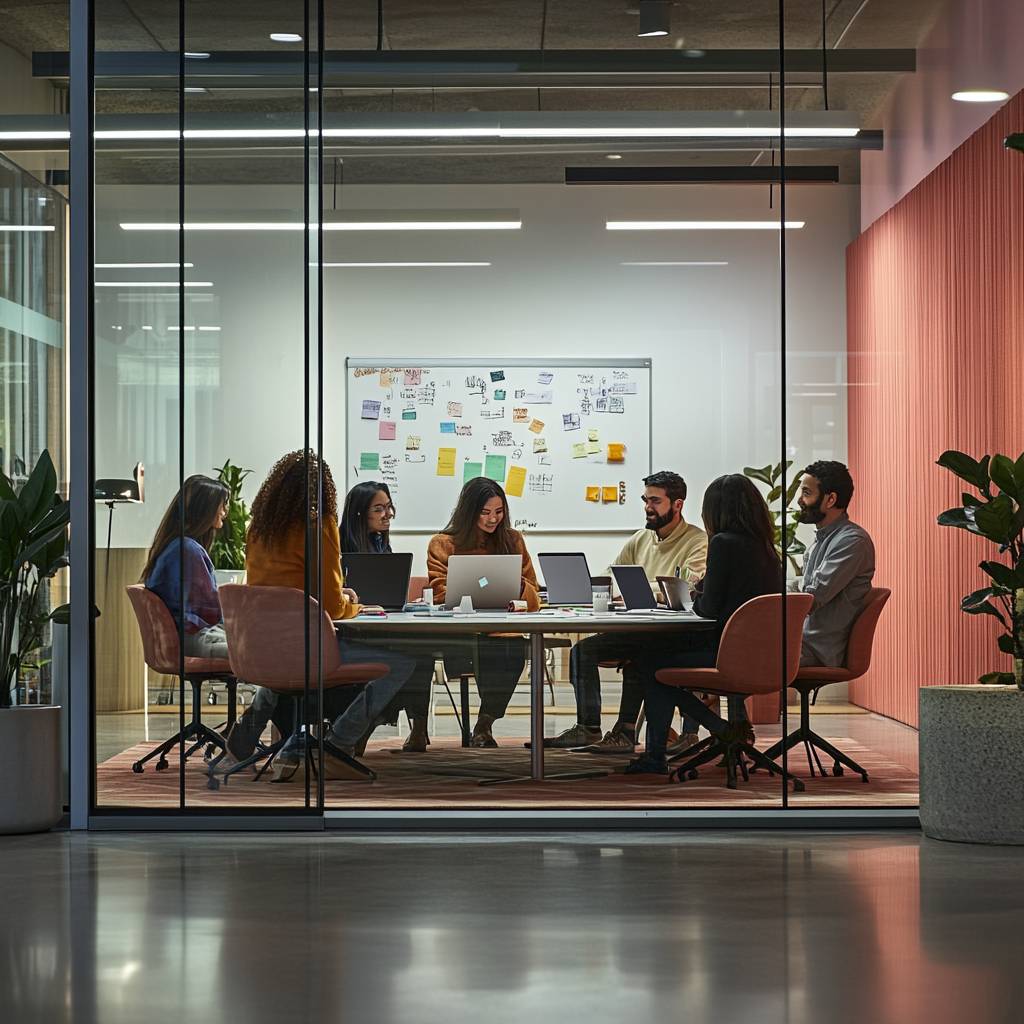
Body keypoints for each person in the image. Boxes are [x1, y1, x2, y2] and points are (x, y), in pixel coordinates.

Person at [227, 451, 415, 781]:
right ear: (322, 489)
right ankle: (338, 743)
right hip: (306, 646)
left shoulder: (260, 528)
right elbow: (331, 606)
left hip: (264, 647)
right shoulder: (319, 524)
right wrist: (353, 604)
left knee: (290, 656)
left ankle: (246, 733)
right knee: (402, 663)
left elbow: (279, 590)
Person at [625, 473, 783, 775]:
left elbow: (708, 606)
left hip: (728, 653)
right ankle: (714, 730)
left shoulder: (723, 544)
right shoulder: (765, 548)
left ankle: (707, 733)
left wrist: (698, 593)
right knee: (656, 658)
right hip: (761, 655)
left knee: (650, 662)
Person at [545, 470, 708, 753]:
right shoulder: (641, 539)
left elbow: (689, 587)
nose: (648, 507)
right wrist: (593, 590)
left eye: (655, 501)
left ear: (678, 504)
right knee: (581, 652)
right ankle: (589, 728)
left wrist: (644, 594)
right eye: (646, 500)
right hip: (636, 628)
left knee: (641, 656)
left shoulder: (697, 541)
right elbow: (610, 572)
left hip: (674, 634)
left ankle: (626, 731)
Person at [426, 477, 539, 747]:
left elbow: (533, 595)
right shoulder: (443, 543)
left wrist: (517, 585)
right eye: (485, 512)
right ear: (469, 511)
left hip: (502, 631)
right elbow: (440, 593)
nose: (493, 520)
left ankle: (485, 722)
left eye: (499, 512)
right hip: (461, 630)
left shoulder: (513, 540)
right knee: (484, 647)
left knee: (512, 650)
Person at [340, 480, 436, 753]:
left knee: (422, 653)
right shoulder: (337, 546)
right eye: (379, 509)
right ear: (360, 513)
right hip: (351, 630)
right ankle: (362, 726)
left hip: (382, 623)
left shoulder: (381, 544)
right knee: (408, 656)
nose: (387, 515)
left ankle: (418, 728)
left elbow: (390, 593)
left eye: (389, 507)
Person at [794, 460, 875, 666]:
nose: (799, 500)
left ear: (830, 500)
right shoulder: (822, 539)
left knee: (744, 653)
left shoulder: (851, 541)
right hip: (802, 642)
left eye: (806, 493)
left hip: (816, 649)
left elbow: (811, 598)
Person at [142, 474, 230, 658]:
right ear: (205, 509)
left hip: (182, 638)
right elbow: (210, 611)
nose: (224, 511)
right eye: (221, 505)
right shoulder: (188, 550)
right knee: (260, 650)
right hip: (195, 639)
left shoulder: (175, 545)